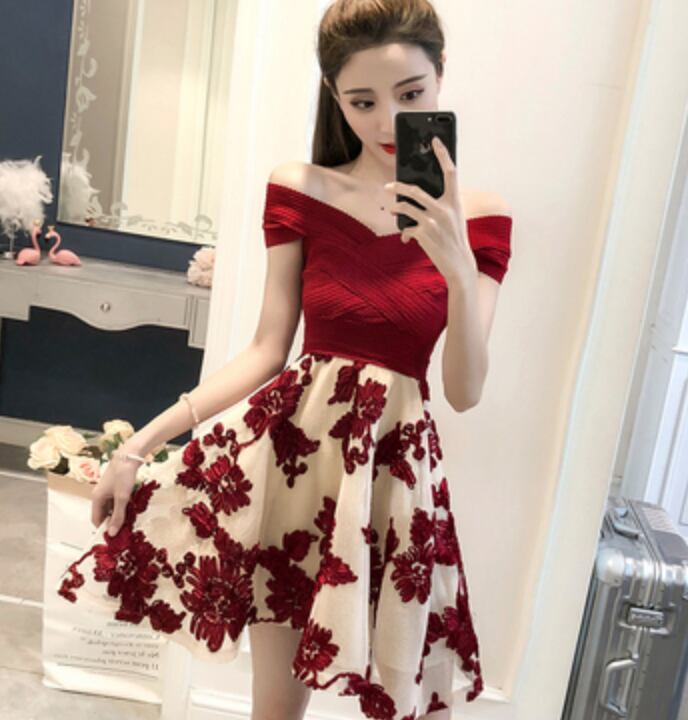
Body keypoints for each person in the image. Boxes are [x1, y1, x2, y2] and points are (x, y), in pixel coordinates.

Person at [57, 1, 513, 718]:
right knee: (276, 709)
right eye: (362, 101)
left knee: (401, 692)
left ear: (440, 76)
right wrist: (138, 447)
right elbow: (269, 350)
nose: (388, 121)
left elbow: (463, 390)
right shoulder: (301, 189)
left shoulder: (482, 219)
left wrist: (458, 267)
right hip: (294, 464)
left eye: (411, 95)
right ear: (334, 94)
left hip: (390, 474)